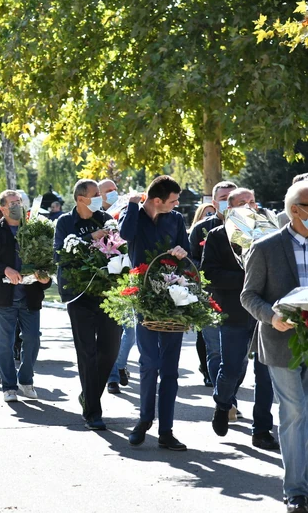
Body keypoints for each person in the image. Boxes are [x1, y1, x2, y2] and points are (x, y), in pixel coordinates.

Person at [241, 181, 308, 513]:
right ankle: (296, 490)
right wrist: (271, 317)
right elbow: (248, 295)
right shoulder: (265, 247)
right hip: (281, 341)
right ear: (295, 210)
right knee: (295, 411)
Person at [201, 188, 279, 451]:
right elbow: (209, 274)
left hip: (264, 313)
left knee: (265, 374)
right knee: (231, 368)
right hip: (234, 311)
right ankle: (223, 404)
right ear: (230, 208)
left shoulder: (270, 234)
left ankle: (261, 429)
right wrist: (247, 281)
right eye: (243, 202)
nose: (250, 206)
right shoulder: (217, 235)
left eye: (253, 201)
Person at [119, 175, 190, 450]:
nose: (177, 204)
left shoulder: (176, 219)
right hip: (145, 297)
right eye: (173, 200)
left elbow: (189, 254)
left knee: (170, 369)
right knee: (149, 363)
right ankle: (144, 420)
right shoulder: (134, 215)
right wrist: (132, 205)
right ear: (157, 200)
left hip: (174, 296)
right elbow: (124, 236)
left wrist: (182, 253)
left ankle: (166, 431)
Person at [54, 179, 121, 430]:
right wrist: (90, 238)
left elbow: (118, 249)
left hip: (107, 293)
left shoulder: (105, 218)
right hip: (78, 295)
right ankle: (93, 411)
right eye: (94, 195)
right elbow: (59, 253)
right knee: (87, 352)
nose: (99, 198)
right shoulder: (65, 222)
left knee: (110, 349)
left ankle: (89, 395)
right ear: (81, 199)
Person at [0, 190, 52, 402]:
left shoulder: (35, 231)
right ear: (2, 208)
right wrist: (4, 269)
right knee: (4, 343)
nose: (17, 205)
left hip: (30, 296)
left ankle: (26, 380)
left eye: (19, 201)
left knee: (32, 339)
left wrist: (46, 279)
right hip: (2, 297)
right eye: (12, 203)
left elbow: (47, 261)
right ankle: (9, 386)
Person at [189, 181, 238, 391]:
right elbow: (191, 262)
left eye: (231, 198)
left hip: (240, 299)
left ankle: (228, 394)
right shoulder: (201, 229)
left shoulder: (251, 227)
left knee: (240, 355)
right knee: (215, 350)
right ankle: (224, 399)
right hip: (210, 298)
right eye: (223, 199)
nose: (228, 202)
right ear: (214, 202)